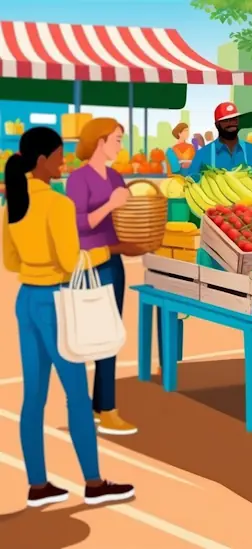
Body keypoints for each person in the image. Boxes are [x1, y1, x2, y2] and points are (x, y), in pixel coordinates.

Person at [4, 127, 137, 507]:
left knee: (33, 397)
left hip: (26, 300)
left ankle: (38, 484)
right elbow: (69, 261)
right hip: (57, 303)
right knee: (77, 397)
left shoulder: (10, 203)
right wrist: (112, 251)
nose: (64, 162)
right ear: (43, 160)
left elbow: (10, 261)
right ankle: (93, 483)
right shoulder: (57, 205)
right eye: (60, 155)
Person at [66, 118, 143, 436]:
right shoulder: (78, 179)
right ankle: (88, 408)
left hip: (113, 263)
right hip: (88, 265)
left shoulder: (115, 176)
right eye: (116, 139)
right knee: (84, 338)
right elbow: (78, 224)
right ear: (99, 141)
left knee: (110, 335)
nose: (120, 146)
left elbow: (123, 219)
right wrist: (111, 204)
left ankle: (104, 405)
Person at [187, 103, 252, 180]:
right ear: (217, 124)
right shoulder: (202, 154)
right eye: (226, 120)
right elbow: (191, 182)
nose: (231, 123)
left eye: (234, 119)